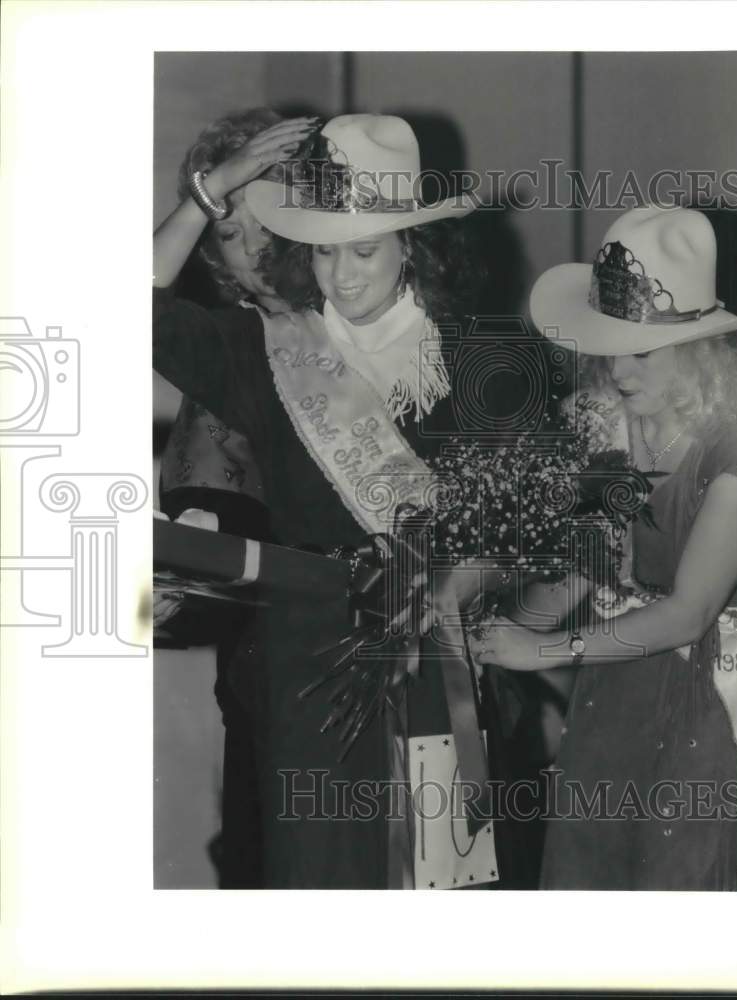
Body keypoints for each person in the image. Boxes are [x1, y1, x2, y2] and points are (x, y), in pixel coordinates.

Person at [153, 112, 529, 888]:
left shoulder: (485, 359)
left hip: (447, 664)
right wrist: (206, 192)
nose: (342, 277)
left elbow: (535, 529)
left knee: (438, 903)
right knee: (323, 892)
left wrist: (451, 586)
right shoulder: (265, 350)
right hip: (309, 677)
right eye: (323, 252)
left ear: (414, 247)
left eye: (363, 251)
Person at [469, 206, 737, 890]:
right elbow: (587, 570)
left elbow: (688, 612)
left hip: (716, 692)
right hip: (617, 685)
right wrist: (495, 627)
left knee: (678, 882)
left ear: (698, 345)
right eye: (609, 346)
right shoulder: (613, 427)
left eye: (642, 351)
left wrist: (541, 650)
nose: (619, 370)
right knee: (593, 880)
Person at [155, 107, 298, 887]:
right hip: (280, 676)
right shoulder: (232, 356)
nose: (256, 256)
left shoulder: (396, 332)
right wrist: (210, 190)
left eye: (270, 225)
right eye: (231, 234)